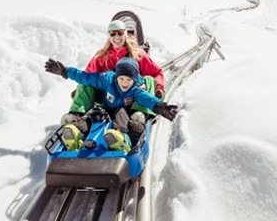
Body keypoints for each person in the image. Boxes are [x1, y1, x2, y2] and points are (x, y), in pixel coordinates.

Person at [44, 56, 179, 152]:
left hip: (124, 114)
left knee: (120, 115)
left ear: (135, 78)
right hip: (106, 110)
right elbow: (86, 77)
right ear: (116, 76)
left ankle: (122, 140)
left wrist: (160, 107)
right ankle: (76, 134)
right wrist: (65, 71)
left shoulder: (137, 88)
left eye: (128, 79)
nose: (124, 83)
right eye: (121, 78)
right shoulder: (107, 79)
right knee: (93, 115)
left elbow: (147, 98)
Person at [67, 18, 166, 116]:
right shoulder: (102, 56)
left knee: (149, 80)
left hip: (132, 98)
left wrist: (159, 88)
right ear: (109, 36)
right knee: (87, 83)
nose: (116, 36)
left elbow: (156, 73)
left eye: (120, 32)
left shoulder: (138, 54)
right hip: (109, 98)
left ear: (125, 34)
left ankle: (139, 115)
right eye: (112, 33)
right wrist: (80, 90)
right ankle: (76, 114)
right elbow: (88, 75)